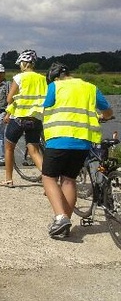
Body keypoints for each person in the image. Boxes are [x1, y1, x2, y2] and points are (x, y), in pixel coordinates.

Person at [41, 62, 113, 238]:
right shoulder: (90, 87)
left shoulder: (54, 86)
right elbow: (108, 111)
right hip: (82, 142)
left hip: (58, 139)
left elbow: (46, 108)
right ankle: (65, 224)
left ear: (55, 76)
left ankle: (60, 217)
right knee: (69, 180)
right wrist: (101, 117)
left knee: (49, 178)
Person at [0, 50, 47, 187]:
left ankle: (8, 179)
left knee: (9, 148)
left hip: (19, 118)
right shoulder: (42, 79)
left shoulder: (19, 78)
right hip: (36, 119)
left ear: (23, 63)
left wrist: (9, 111)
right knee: (34, 150)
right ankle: (49, 179)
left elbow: (9, 99)